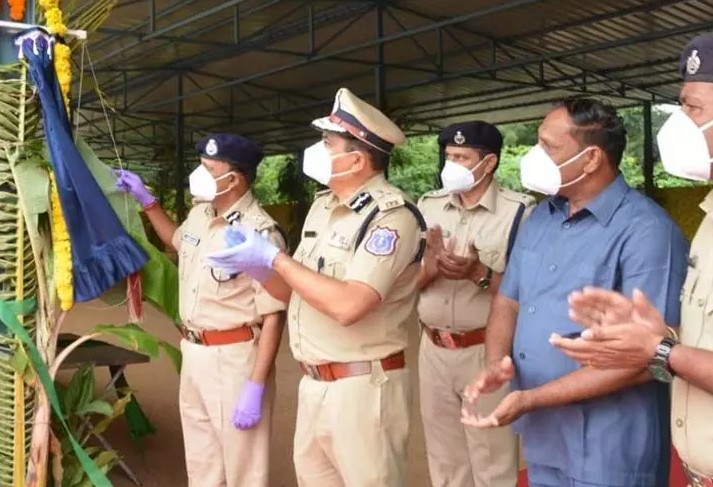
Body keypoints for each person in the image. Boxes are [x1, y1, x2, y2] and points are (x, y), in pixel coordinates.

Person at [460, 97, 689, 487]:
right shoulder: (540, 219)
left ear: (591, 159)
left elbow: (645, 357)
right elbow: (508, 299)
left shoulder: (647, 230)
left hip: (610, 444)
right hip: (544, 436)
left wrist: (531, 398)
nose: (535, 156)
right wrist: (496, 362)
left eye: (549, 147)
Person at [205, 87, 425, 487]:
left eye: (327, 143)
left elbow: (349, 305)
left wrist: (276, 259)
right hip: (314, 385)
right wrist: (258, 268)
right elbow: (294, 291)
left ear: (356, 159)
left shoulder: (392, 218)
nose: (318, 149)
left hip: (362, 389)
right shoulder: (323, 207)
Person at [551, 32, 713, 485]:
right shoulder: (710, 217)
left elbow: (674, 356)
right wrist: (657, 335)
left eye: (694, 107)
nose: (680, 120)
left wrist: (660, 350)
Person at [113, 133, 287, 487]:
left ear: (234, 178)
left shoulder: (260, 233)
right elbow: (177, 241)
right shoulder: (200, 214)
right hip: (194, 352)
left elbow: (274, 314)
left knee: (243, 470)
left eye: (209, 168)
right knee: (203, 463)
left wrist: (255, 384)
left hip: (235, 358)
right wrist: (148, 202)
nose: (199, 173)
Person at [416, 121, 534, 487]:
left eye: (462, 157)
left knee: (492, 457)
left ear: (490, 163)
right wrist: (431, 268)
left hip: (485, 349)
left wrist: (478, 274)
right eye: (449, 156)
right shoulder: (428, 205)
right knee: (444, 458)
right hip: (432, 348)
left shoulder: (520, 212)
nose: (451, 164)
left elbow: (526, 293)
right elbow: (407, 283)